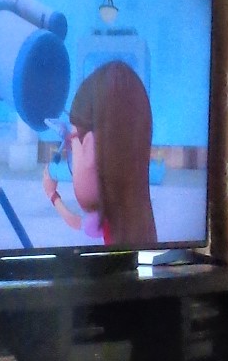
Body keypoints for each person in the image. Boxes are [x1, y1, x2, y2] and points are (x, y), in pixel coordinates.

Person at [43, 58, 158, 248]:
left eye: (73, 151)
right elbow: (81, 223)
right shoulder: (137, 221)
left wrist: (52, 195)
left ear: (90, 148)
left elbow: (76, 222)